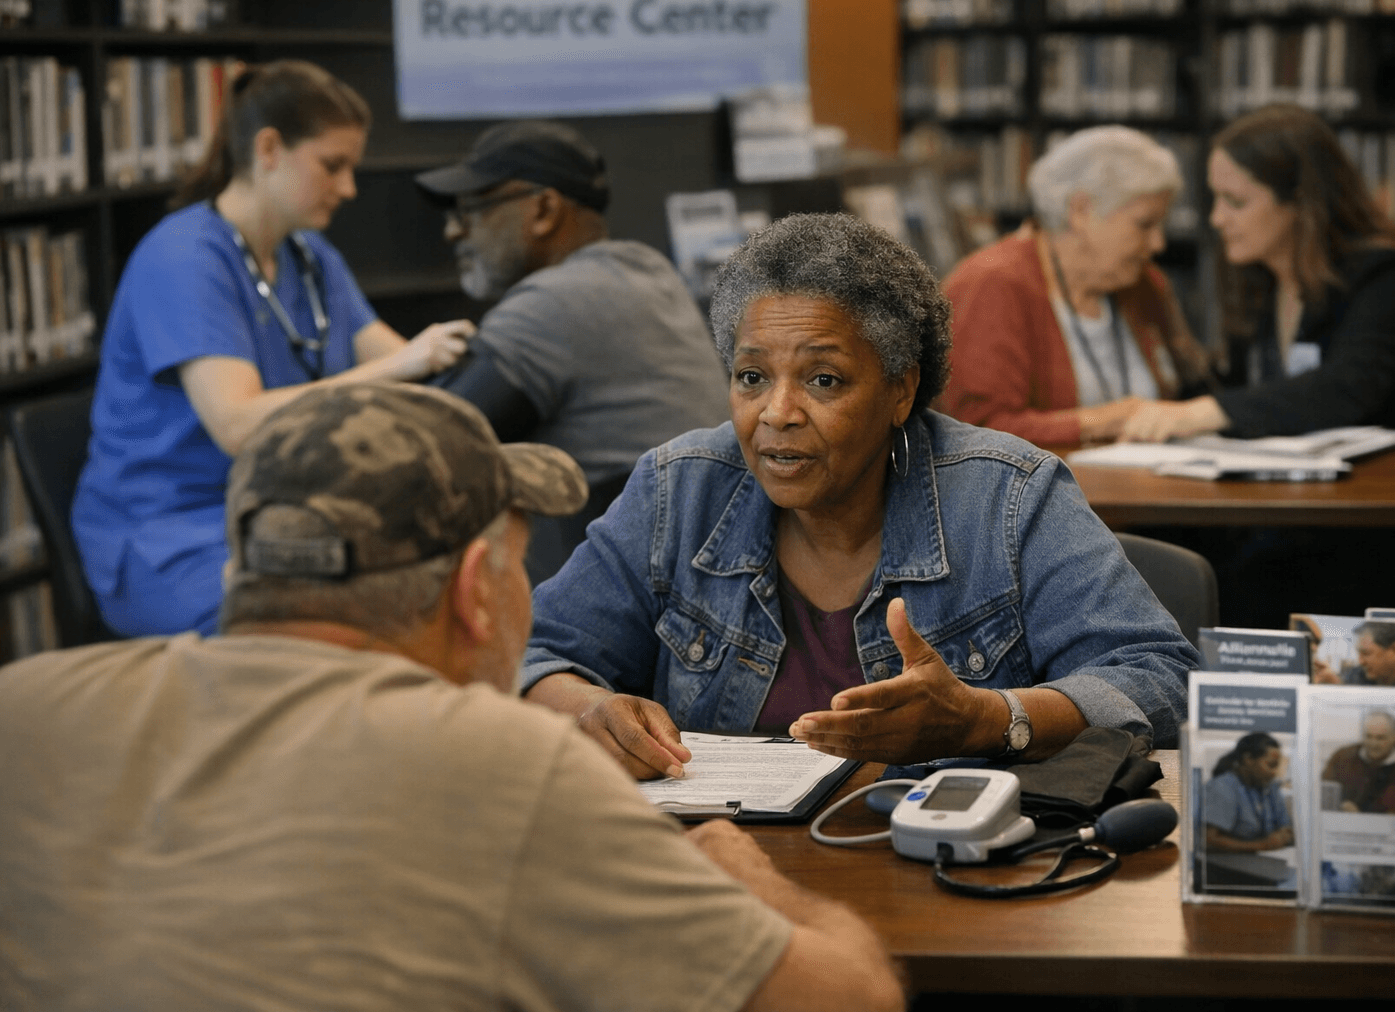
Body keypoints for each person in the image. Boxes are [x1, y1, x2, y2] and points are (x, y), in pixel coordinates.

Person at [0, 383, 902, 1012]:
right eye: (520, 564)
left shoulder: (26, 709)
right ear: (477, 588)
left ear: (243, 566)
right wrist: (757, 891)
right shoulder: (504, 769)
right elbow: (851, 1000)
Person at [522, 212, 1196, 781]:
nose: (776, 412)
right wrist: (582, 706)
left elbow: (1161, 679)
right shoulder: (679, 487)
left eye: (823, 380)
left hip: (951, 877)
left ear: (901, 390)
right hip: (727, 871)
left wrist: (986, 720)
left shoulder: (1009, 495)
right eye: (751, 376)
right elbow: (532, 652)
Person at [70, 60, 475, 638]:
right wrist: (404, 364)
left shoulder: (307, 256)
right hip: (171, 536)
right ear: (268, 149)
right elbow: (237, 425)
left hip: (280, 513)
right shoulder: (185, 257)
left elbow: (401, 361)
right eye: (332, 166)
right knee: (326, 635)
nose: (349, 188)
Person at [415, 120, 730, 583]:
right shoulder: (647, 269)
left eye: (470, 210)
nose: (453, 233)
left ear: (543, 209)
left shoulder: (554, 303)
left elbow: (425, 446)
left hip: (635, 611)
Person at [1119, 104, 1395, 442]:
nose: (1217, 218)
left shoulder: (1389, 277)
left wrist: (1199, 413)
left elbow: (1343, 389)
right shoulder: (1261, 279)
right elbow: (1247, 393)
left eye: (1236, 201)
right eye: (1215, 197)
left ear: (1302, 203)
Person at [939, 125, 1211, 449]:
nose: (1158, 244)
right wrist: (1104, 421)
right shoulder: (991, 284)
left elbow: (1189, 389)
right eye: (1145, 224)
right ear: (1080, 211)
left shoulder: (1145, 284)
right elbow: (980, 429)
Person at [1203, 733, 1293, 853]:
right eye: (1271, 765)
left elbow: (1285, 827)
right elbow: (1208, 839)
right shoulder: (1222, 787)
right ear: (1248, 760)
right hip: (1229, 864)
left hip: (1265, 862)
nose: (1275, 772)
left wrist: (1285, 834)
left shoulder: (1270, 787)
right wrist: (1262, 845)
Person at [1322, 711, 1395, 815]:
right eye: (1369, 736)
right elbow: (1324, 793)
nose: (1373, 743)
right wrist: (1341, 805)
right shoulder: (1342, 757)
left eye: (1380, 738)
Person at [1315, 621, 1395, 687]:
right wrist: (1335, 683)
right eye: (1359, 653)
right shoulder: (1357, 675)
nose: (1360, 661)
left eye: (1366, 653)